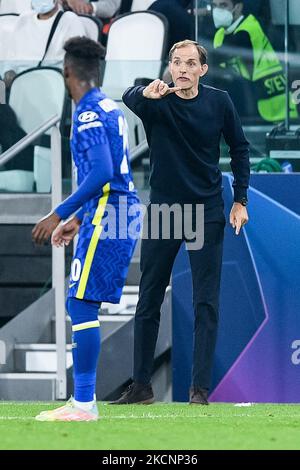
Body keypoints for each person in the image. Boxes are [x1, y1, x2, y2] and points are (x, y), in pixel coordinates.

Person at [110, 39, 250, 406]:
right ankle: (141, 386)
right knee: (149, 298)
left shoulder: (220, 102)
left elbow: (240, 148)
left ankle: (199, 391)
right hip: (164, 212)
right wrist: (145, 90)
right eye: (176, 62)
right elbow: (127, 96)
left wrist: (240, 199)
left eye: (190, 63)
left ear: (203, 69)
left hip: (206, 211)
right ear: (169, 66)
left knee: (206, 303)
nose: (182, 69)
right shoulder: (156, 103)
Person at [32, 36, 140, 421]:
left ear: (67, 73)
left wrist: (59, 213)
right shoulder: (110, 106)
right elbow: (112, 172)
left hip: (110, 212)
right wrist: (79, 219)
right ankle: (82, 402)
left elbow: (101, 171)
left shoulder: (88, 112)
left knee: (79, 302)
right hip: (114, 210)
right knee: (81, 301)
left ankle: (83, 404)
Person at [212, 0, 298, 122]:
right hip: (256, 105)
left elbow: (221, 54)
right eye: (214, 6)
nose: (217, 10)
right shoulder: (220, 35)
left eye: (223, 5)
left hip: (280, 106)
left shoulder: (248, 29)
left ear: (238, 7)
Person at [0, 0, 85, 81]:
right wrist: (9, 75)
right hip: (18, 85)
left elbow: (78, 65)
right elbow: (9, 59)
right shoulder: (24, 19)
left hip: (50, 85)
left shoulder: (69, 20)